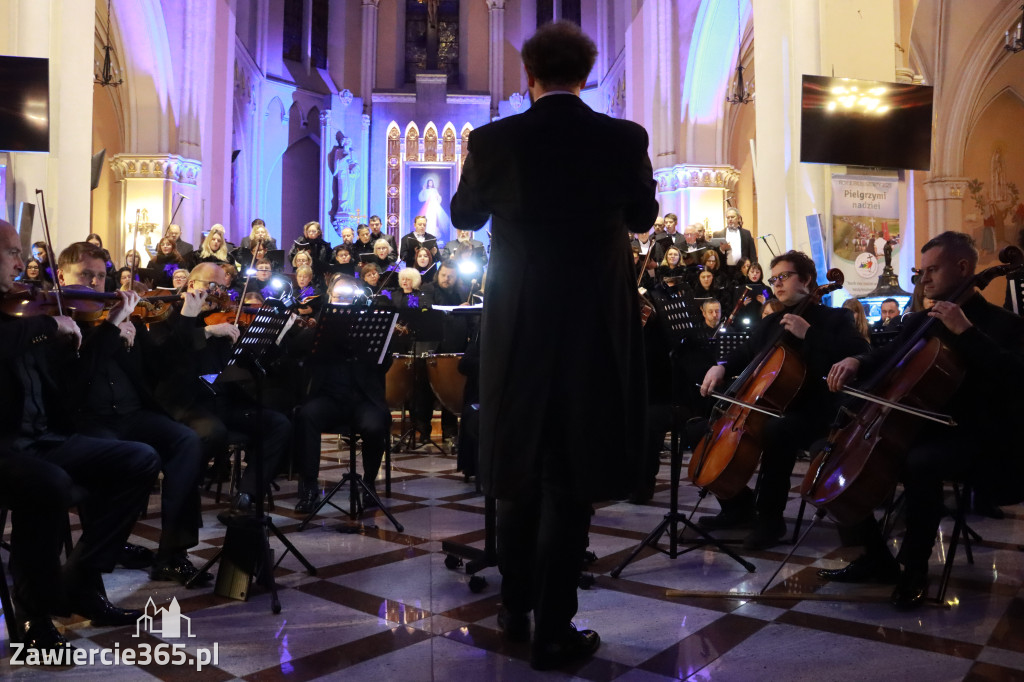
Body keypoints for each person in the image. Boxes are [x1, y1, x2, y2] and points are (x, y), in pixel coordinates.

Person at [450, 21, 658, 670]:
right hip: (594, 327)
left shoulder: (494, 140)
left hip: (518, 325)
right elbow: (645, 218)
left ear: (527, 76)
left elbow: (463, 217)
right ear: (587, 74)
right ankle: (555, 630)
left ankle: (515, 609)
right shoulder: (623, 138)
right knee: (571, 479)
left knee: (518, 470)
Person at [823, 231, 1024, 609]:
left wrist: (966, 332)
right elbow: (888, 355)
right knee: (836, 454)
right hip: (919, 426)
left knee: (920, 462)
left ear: (963, 268)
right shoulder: (922, 319)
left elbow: (1014, 376)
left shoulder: (1004, 324)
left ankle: (915, 567)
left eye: (932, 270)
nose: (924, 279)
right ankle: (876, 557)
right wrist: (857, 361)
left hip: (976, 435)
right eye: (922, 270)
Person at [0, 220, 161, 650]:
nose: (23, 261)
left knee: (139, 457)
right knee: (48, 483)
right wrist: (51, 329)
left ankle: (81, 578)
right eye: (11, 251)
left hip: (45, 437)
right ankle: (33, 614)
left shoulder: (29, 307)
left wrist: (102, 331)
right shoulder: (26, 321)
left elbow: (70, 386)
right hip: (4, 445)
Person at [56, 241, 211, 586]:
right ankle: (107, 547)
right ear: (62, 277)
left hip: (133, 414)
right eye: (86, 275)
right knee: (124, 458)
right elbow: (75, 380)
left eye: (100, 276)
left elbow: (162, 367)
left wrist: (185, 321)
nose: (96, 283)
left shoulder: (124, 318)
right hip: (87, 421)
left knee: (186, 440)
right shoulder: (55, 323)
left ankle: (174, 553)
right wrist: (110, 331)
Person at [697, 250, 870, 550]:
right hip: (776, 407)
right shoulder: (770, 323)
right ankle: (736, 506)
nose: (776, 283)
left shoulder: (834, 317)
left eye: (784, 277)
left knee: (777, 431)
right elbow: (744, 355)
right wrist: (721, 366)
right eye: (773, 278)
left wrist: (809, 335)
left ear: (806, 280)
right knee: (701, 426)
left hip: (819, 410)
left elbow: (859, 353)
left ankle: (770, 521)